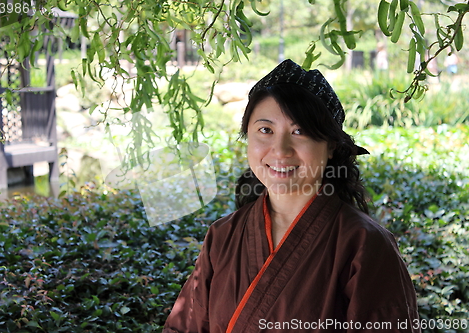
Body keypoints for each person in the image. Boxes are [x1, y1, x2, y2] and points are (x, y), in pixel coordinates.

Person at [163, 59, 420, 333]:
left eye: (300, 131)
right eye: (265, 130)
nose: (280, 150)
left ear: (331, 145)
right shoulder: (222, 236)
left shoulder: (364, 244)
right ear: (247, 135)